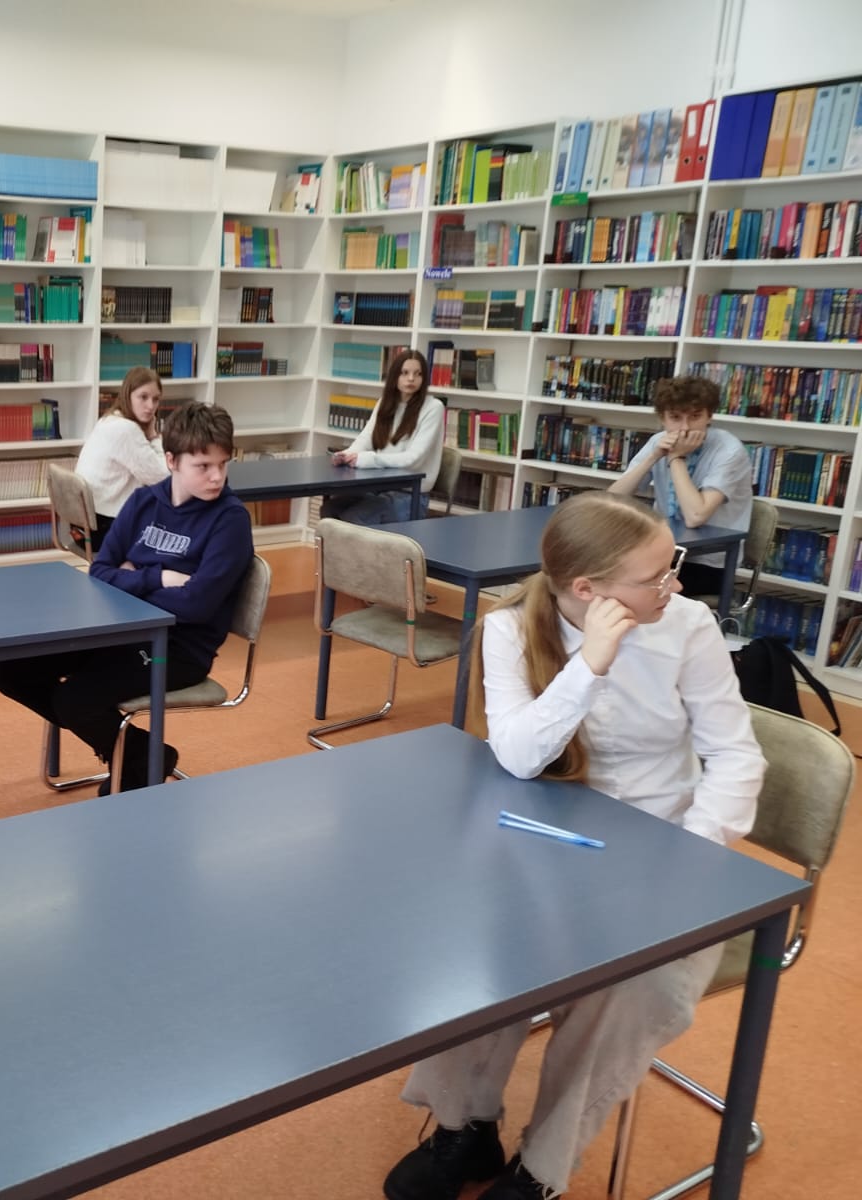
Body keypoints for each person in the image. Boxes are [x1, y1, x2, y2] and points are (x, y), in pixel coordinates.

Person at [384, 491, 764, 1200]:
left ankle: (542, 1167)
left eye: (673, 566)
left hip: (664, 848)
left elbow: (737, 757)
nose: (675, 584)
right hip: (548, 843)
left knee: (634, 987)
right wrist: (589, 664)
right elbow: (519, 756)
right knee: (476, 939)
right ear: (588, 591)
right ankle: (465, 1124)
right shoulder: (509, 628)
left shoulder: (689, 625)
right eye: (656, 576)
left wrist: (695, 850)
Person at [0, 402, 253, 792]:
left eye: (223, 464)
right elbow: (100, 573)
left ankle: (133, 758)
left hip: (175, 650)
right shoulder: (144, 502)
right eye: (203, 466)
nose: (217, 476)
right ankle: (140, 752)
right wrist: (159, 577)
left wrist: (130, 578)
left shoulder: (229, 520)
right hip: (120, 630)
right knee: (11, 671)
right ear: (171, 461)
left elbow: (197, 605)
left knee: (74, 700)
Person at [607, 374, 752, 599]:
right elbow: (611, 500)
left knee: (628, 592)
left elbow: (695, 517)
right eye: (675, 417)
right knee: (601, 576)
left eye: (695, 416)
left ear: (709, 416)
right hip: (662, 552)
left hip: (709, 563)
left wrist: (676, 458)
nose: (684, 427)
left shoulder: (729, 451)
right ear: (662, 419)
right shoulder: (658, 441)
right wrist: (653, 457)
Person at [326, 350, 445, 524]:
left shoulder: (434, 408)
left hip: (411, 495)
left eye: (418, 374)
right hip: (380, 487)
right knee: (330, 509)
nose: (411, 379)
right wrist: (348, 454)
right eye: (405, 373)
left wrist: (369, 459)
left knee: (354, 517)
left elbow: (413, 458)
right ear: (394, 375)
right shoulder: (385, 402)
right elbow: (366, 437)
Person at [73, 365, 171, 547]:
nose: (151, 406)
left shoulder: (109, 419)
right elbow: (162, 477)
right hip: (102, 530)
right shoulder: (126, 429)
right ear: (128, 396)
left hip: (83, 526)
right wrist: (154, 437)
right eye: (143, 397)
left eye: (156, 399)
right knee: (174, 523)